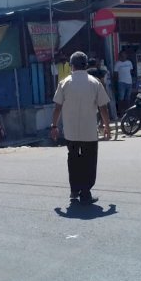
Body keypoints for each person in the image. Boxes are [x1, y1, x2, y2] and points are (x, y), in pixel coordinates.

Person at [50, 51, 111, 205]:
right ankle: (85, 192)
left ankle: (74, 190)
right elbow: (103, 107)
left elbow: (57, 107)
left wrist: (54, 126)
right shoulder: (95, 83)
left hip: (70, 133)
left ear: (72, 66)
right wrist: (107, 126)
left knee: (73, 160)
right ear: (85, 65)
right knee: (89, 162)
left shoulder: (64, 83)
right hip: (89, 132)